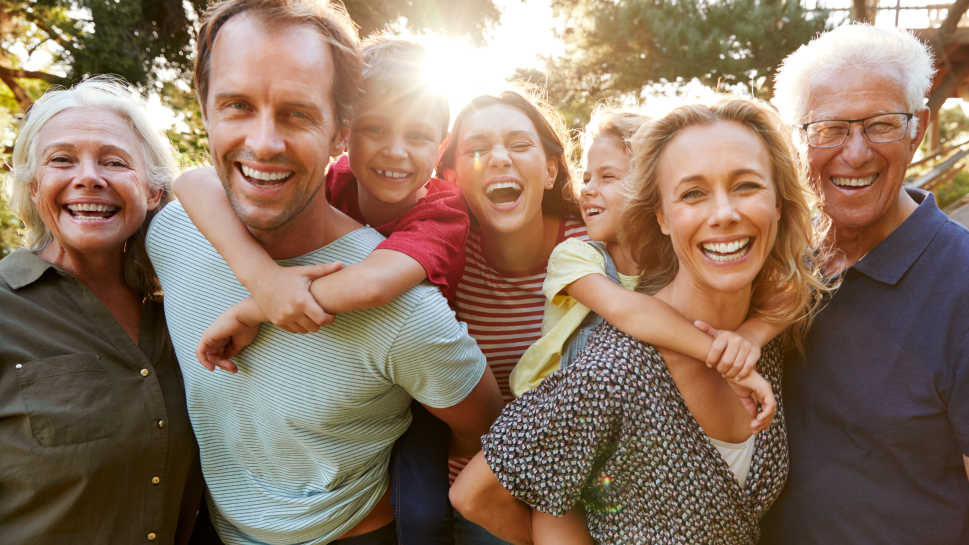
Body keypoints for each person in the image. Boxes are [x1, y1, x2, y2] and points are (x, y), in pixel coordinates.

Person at [145, 2, 503, 544]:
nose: (264, 144)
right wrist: (262, 277)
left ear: (337, 130)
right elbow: (190, 182)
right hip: (214, 526)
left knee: (426, 508)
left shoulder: (419, 265)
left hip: (360, 522)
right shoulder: (169, 233)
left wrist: (257, 305)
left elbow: (376, 286)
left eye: (296, 113)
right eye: (238, 104)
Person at [450, 96, 828, 544]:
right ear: (662, 217)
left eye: (746, 185)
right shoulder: (617, 370)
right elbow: (475, 495)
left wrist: (753, 335)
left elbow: (803, 277)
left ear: (780, 203)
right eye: (693, 193)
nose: (725, 213)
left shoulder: (766, 330)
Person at [760, 24, 969, 545]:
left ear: (918, 128)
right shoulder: (773, 262)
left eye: (881, 125)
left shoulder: (962, 283)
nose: (855, 154)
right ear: (797, 138)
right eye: (830, 128)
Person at [0, 76, 203, 544]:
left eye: (114, 161)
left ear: (153, 192)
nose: (88, 177)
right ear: (34, 186)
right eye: (62, 160)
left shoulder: (183, 312)